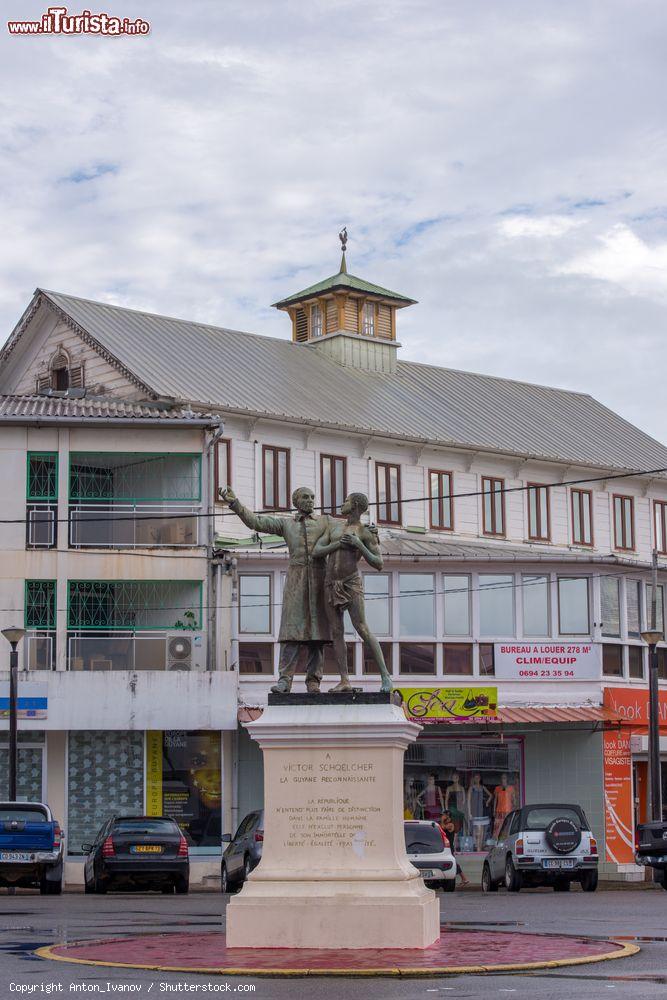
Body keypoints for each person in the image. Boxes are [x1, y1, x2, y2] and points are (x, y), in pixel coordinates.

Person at [220, 485, 332, 693]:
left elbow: (348, 529)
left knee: (318, 634)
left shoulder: (325, 522)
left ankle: (314, 681)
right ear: (296, 502)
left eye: (312, 497)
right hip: (296, 580)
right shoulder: (286, 524)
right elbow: (257, 522)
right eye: (305, 497)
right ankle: (285, 680)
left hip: (319, 578)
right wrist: (235, 504)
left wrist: (367, 530)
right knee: (290, 632)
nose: (310, 500)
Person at [312, 492, 392, 693]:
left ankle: (385, 676)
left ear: (355, 505)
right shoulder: (335, 527)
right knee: (336, 632)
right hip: (331, 583)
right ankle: (344, 680)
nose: (342, 503)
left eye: (346, 500)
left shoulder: (365, 531)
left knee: (362, 628)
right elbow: (317, 550)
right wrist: (337, 544)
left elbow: (379, 563)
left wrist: (358, 545)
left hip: (351, 582)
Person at [440, 810, 470, 887]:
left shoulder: (451, 824)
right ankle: (464, 878)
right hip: (445, 847)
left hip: (449, 848)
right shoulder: (446, 823)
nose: (442, 816)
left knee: (453, 863)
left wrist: (442, 820)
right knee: (453, 863)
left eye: (444, 815)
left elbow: (442, 828)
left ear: (448, 816)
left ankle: (464, 878)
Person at [467, 772, 493, 851]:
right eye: (475, 777)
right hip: (475, 812)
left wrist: (487, 802)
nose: (477, 779)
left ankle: (480, 846)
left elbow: (491, 795)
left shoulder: (482, 787)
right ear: (474, 779)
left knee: (482, 830)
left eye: (478, 777)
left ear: (480, 779)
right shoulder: (471, 788)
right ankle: (476, 846)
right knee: (476, 830)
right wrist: (469, 812)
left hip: (482, 811)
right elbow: (468, 800)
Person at [492, 772, 517, 838]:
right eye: (502, 778)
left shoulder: (511, 788)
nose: (503, 780)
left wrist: (513, 810)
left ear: (507, 779)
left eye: (504, 778)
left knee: (506, 827)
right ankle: (496, 843)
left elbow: (514, 800)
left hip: (507, 811)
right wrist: (494, 810)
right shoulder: (497, 788)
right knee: (497, 828)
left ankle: (504, 843)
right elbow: (495, 800)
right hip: (498, 811)